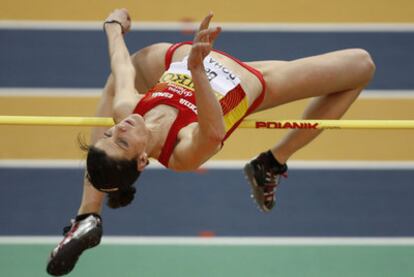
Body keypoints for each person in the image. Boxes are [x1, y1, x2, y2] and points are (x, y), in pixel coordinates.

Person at [46, 8, 375, 276]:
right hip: (248, 83)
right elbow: (214, 130)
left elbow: (120, 66)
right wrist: (197, 70)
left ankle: (88, 215)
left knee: (123, 74)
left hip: (175, 61)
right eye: (121, 141)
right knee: (361, 64)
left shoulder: (127, 111)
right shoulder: (182, 152)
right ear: (143, 160)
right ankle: (272, 162)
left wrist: (113, 27)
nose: (120, 128)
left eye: (109, 132)